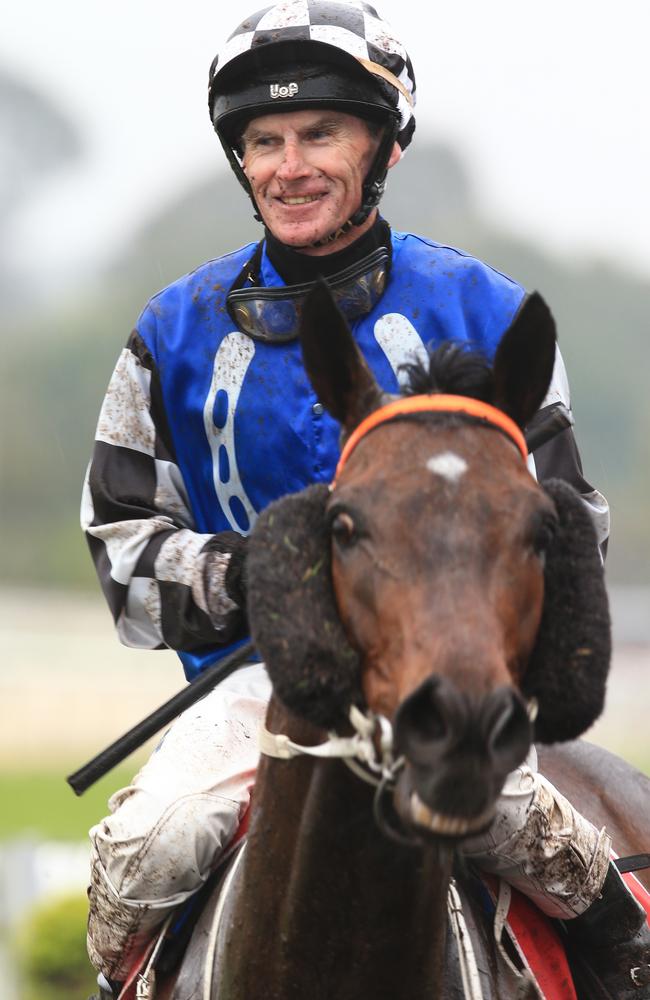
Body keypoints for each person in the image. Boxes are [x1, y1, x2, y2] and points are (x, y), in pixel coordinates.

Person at [81, 2, 648, 997]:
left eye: (318, 135)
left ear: (380, 148)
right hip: (252, 694)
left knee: (552, 842)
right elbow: (120, 548)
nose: (288, 165)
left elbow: (565, 532)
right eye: (263, 141)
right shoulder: (167, 330)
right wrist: (260, 576)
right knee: (147, 849)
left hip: (448, 678)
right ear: (240, 161)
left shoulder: (487, 309)